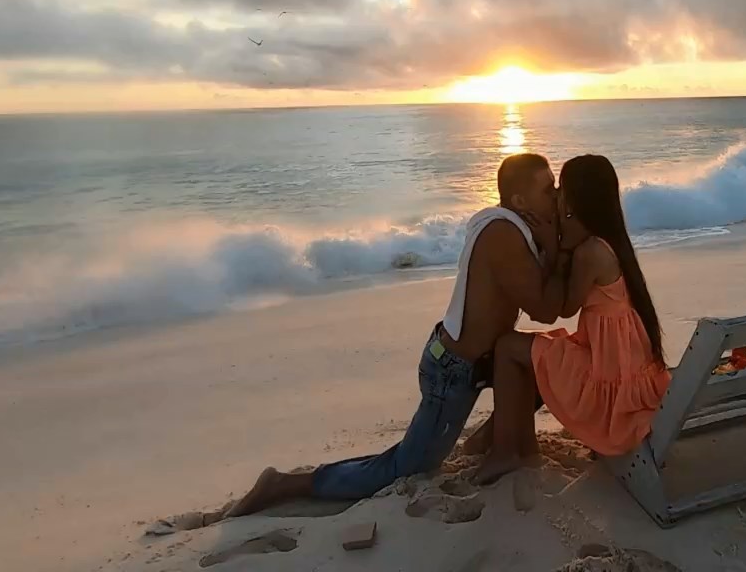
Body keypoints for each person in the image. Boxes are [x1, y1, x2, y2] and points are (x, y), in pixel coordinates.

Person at [227, 153, 564, 516]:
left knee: (546, 367)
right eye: (548, 189)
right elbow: (544, 310)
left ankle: (488, 443)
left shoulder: (508, 224)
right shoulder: (504, 234)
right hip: (453, 372)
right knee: (404, 468)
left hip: (479, 360)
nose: (557, 194)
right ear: (520, 200)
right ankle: (285, 484)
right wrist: (555, 245)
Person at [476, 154, 671, 483]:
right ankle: (512, 442)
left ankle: (507, 451)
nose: (555, 196)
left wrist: (556, 249)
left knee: (509, 347)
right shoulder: (611, 241)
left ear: (576, 198)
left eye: (560, 189)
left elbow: (565, 308)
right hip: (624, 366)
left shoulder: (588, 252)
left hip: (608, 378)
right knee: (542, 349)